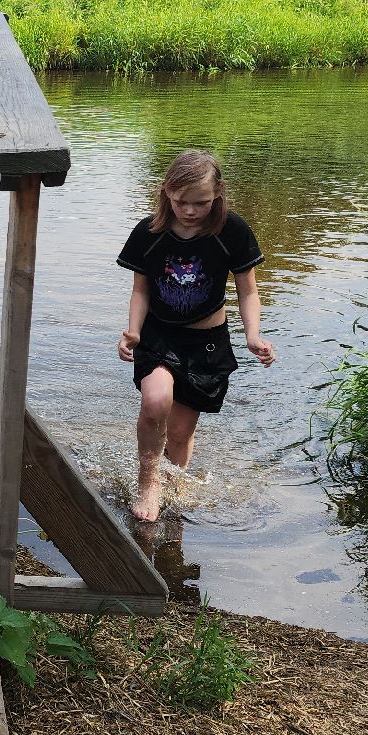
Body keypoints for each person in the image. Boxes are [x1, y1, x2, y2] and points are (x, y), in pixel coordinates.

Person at [115, 150, 276, 522]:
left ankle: (175, 484)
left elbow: (248, 291)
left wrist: (253, 335)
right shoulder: (149, 233)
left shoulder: (231, 231)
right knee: (156, 402)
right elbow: (140, 290)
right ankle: (149, 481)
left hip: (207, 342)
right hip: (158, 335)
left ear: (218, 193)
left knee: (182, 431)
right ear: (167, 193)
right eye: (181, 202)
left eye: (201, 202)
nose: (190, 210)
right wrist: (133, 332)